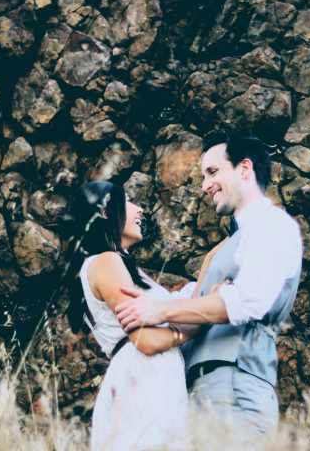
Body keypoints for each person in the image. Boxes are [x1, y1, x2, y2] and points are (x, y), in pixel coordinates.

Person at [115, 131, 303, 435]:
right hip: (202, 393)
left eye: (213, 172)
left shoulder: (273, 226)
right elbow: (195, 299)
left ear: (244, 169)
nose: (204, 185)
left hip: (235, 390)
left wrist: (159, 312)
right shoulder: (231, 244)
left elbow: (247, 301)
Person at [65, 181, 196, 451]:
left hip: (146, 373)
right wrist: (199, 325)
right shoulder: (106, 262)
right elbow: (145, 340)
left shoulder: (117, 264)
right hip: (145, 374)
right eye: (128, 201)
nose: (139, 209)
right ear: (104, 212)